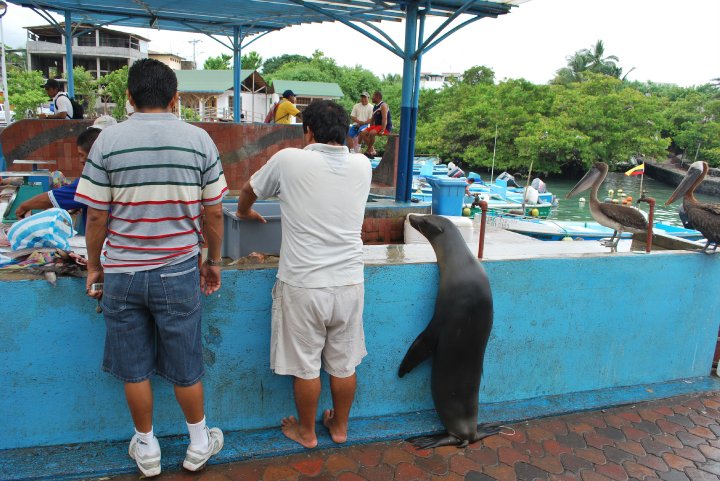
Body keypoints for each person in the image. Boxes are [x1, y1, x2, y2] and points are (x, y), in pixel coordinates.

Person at [75, 59, 227, 477]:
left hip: (122, 272)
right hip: (179, 271)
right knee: (185, 362)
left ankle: (147, 450)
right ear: (176, 98)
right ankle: (199, 444)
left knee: (134, 366)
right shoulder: (200, 140)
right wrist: (212, 261)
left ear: (129, 97)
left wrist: (94, 269)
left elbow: (96, 219)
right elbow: (214, 214)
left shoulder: (106, 142)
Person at [235, 100, 371, 449]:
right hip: (350, 282)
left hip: (304, 283)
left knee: (307, 367)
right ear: (344, 132)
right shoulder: (363, 165)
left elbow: (249, 190)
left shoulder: (289, 159)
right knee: (344, 363)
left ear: (308, 131)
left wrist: (244, 212)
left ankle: (307, 433)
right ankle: (339, 428)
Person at [14, 116, 117, 229]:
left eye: (82, 155)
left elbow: (51, 198)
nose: (81, 160)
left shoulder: (93, 179)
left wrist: (24, 206)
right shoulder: (120, 171)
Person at [358, 90, 392, 157]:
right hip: (377, 126)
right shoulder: (375, 107)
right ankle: (372, 151)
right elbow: (372, 119)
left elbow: (385, 118)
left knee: (372, 133)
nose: (372, 98)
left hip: (384, 127)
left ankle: (368, 150)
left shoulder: (383, 105)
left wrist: (382, 130)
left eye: (373, 96)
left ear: (378, 97)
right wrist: (369, 128)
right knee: (362, 133)